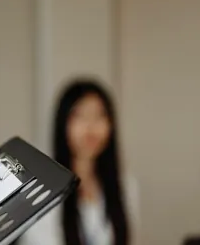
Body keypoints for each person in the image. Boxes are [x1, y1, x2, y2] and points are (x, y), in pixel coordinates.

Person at [21, 79, 138, 245]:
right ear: (63, 123)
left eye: (100, 116)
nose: (91, 126)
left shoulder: (125, 185)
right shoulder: (41, 189)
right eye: (80, 116)